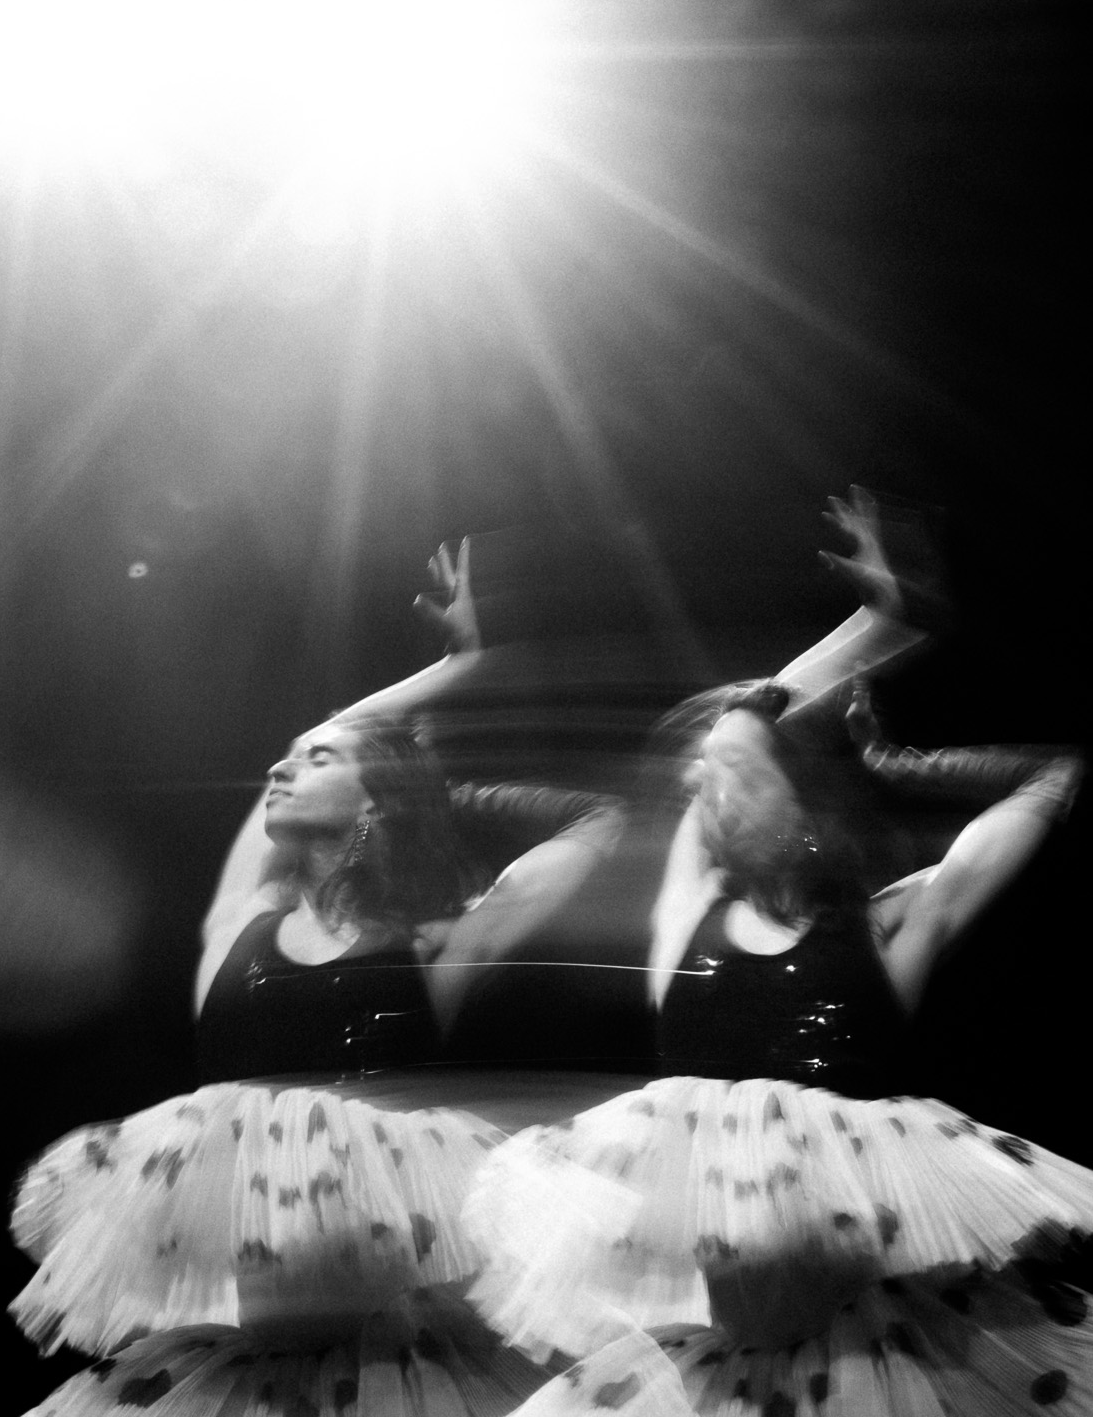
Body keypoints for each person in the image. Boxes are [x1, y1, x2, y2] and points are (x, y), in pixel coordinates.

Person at [462, 493, 1093, 1415]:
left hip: (879, 1364)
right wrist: (881, 626)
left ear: (802, 798)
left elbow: (1056, 776)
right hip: (719, 1364)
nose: (706, 788)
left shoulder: (889, 927)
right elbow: (754, 717)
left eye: (737, 774)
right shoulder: (687, 914)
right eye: (702, 775)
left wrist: (902, 766)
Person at [9, 538, 632, 1417]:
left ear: (377, 799)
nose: (280, 767)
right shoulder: (243, 917)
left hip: (398, 1373)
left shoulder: (439, 946)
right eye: (291, 758)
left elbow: (599, 820)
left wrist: (443, 799)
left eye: (317, 762)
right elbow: (322, 750)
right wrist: (453, 670)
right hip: (242, 1365)